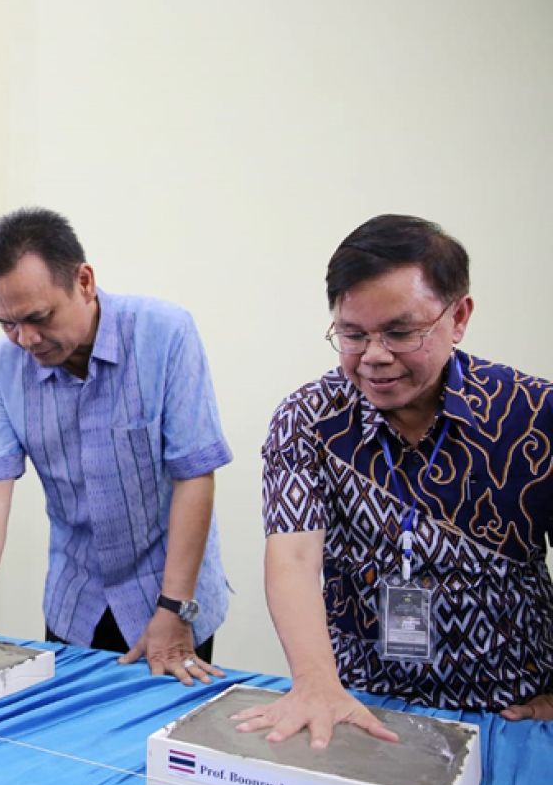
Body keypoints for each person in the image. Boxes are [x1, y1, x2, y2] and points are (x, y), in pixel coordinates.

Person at [233, 214, 553, 748]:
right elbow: (292, 558)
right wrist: (316, 685)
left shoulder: (533, 415)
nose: (375, 357)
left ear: (459, 316)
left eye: (401, 333)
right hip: (362, 703)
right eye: (353, 335)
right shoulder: (309, 419)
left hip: (510, 709)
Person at [0, 208, 231, 684]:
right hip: (77, 601)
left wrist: (174, 609)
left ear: (84, 282)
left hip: (170, 592)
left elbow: (193, 476)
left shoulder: (164, 333)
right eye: (7, 323)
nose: (26, 339)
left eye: (39, 317)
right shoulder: (1, 368)